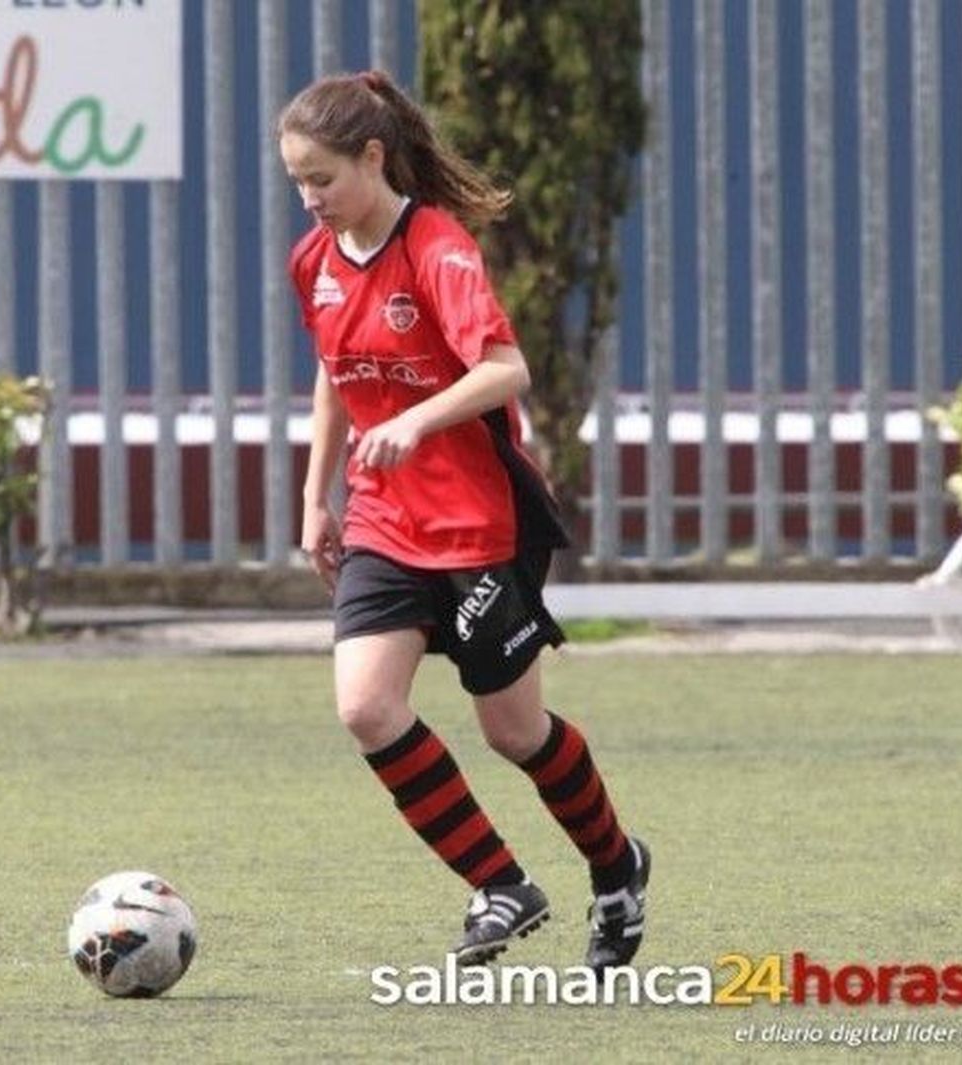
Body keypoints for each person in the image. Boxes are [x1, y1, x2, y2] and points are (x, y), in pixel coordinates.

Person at [278, 70, 649, 970]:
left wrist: (414, 417)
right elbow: (335, 368)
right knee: (367, 706)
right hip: (381, 521)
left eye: (322, 177)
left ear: (373, 157)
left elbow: (505, 369)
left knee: (513, 731)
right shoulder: (314, 261)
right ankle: (501, 884)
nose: (310, 198)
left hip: (481, 524)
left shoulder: (436, 248)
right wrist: (314, 492)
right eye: (296, 180)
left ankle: (617, 865)